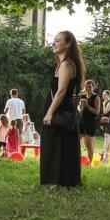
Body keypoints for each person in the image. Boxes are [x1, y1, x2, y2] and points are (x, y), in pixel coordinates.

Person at [39, 30, 84, 187]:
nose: (54, 43)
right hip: (60, 109)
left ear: (68, 43)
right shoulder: (62, 65)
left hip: (60, 110)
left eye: (58, 41)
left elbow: (62, 91)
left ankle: (57, 181)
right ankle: (58, 181)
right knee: (57, 146)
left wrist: (50, 112)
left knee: (58, 146)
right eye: (54, 40)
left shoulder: (66, 65)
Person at [77, 80, 100, 165]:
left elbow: (97, 112)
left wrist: (87, 106)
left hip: (91, 122)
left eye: (90, 86)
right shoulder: (83, 97)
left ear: (93, 87)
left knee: (88, 145)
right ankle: (78, 162)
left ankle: (90, 163)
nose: (88, 88)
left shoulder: (96, 97)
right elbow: (80, 112)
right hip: (82, 121)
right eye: (86, 86)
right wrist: (82, 107)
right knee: (76, 141)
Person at [98, 89, 110, 164]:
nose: (103, 95)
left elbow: (105, 111)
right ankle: (108, 155)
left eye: (104, 94)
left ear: (108, 95)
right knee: (108, 136)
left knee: (107, 135)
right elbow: (103, 113)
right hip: (105, 120)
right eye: (102, 94)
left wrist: (103, 104)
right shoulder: (104, 102)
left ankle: (104, 153)